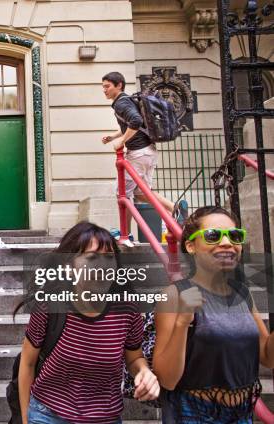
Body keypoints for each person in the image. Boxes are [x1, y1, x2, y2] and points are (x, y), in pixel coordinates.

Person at [18, 222, 160, 424]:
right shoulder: (50, 305)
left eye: (109, 258)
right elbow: (28, 362)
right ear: (69, 267)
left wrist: (145, 372)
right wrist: (25, 419)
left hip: (105, 417)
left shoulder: (127, 309)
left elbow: (134, 358)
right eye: (92, 258)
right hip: (48, 415)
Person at [153, 206, 274, 423]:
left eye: (234, 236)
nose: (227, 243)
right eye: (213, 236)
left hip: (242, 414)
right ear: (191, 246)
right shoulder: (174, 295)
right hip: (193, 414)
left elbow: (267, 356)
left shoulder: (243, 293)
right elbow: (166, 380)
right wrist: (182, 323)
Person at [101, 71, 188, 237]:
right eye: (103, 87)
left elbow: (136, 121)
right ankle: (175, 208)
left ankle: (125, 235)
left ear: (119, 85)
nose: (104, 90)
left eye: (107, 86)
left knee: (123, 194)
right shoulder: (127, 100)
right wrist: (114, 136)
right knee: (141, 193)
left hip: (138, 154)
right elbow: (130, 124)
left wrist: (121, 142)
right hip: (148, 151)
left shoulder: (121, 103)